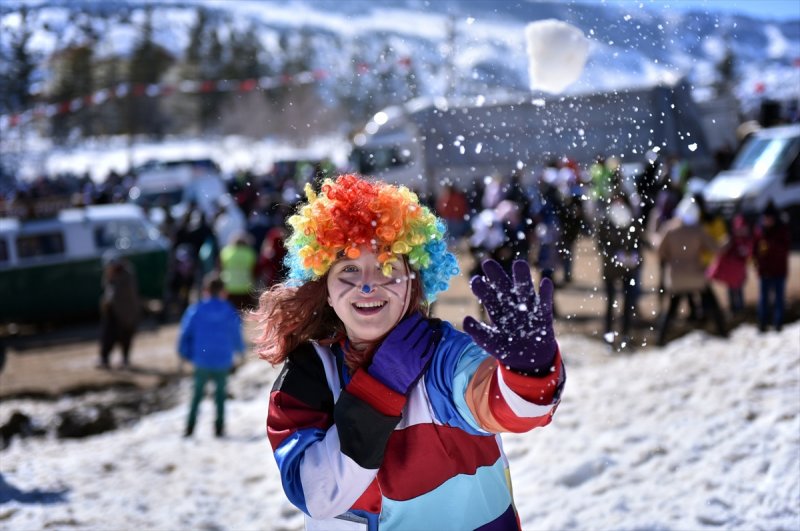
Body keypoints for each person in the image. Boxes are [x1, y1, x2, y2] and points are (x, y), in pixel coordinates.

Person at [257, 174, 565, 530]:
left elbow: (498, 403)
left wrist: (529, 374)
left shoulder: (444, 358)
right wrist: (379, 388)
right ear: (325, 288)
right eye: (349, 268)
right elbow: (317, 494)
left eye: (388, 266)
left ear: (414, 283)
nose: (368, 284)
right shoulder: (308, 377)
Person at [178, 273, 245, 438]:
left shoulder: (196, 309)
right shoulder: (229, 310)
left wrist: (183, 353)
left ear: (206, 290)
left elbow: (185, 333)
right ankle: (219, 428)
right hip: (223, 359)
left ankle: (190, 428)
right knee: (220, 396)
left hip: (201, 359)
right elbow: (236, 333)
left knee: (197, 395)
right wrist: (240, 352)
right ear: (223, 291)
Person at [655, 197, 727, 346]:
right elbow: (715, 248)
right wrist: (727, 241)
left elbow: (660, 252)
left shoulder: (669, 229)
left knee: (671, 310)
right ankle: (723, 333)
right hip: (696, 276)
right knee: (712, 303)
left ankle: (660, 341)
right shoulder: (698, 230)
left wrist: (674, 261)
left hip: (676, 277)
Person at [752, 203, 791, 332]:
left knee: (779, 299)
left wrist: (770, 246)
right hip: (764, 271)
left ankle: (778, 324)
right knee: (763, 300)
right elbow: (754, 250)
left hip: (779, 271)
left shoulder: (782, 231)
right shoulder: (759, 231)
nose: (767, 221)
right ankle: (762, 323)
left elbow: (785, 250)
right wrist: (756, 261)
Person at [98, 255, 140, 369]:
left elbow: (125, 296)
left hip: (126, 312)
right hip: (113, 313)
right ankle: (104, 359)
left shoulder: (126, 276)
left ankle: (125, 360)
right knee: (108, 336)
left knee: (126, 337)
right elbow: (108, 291)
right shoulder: (109, 277)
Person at [220, 232, 257, 311]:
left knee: (230, 310)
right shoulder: (250, 253)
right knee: (245, 312)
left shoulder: (226, 253)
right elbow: (253, 270)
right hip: (245, 286)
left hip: (230, 286)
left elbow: (222, 267)